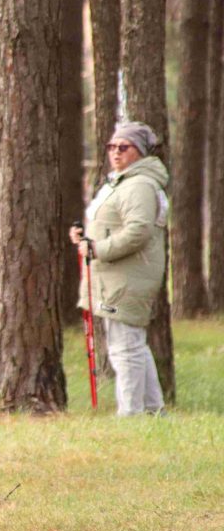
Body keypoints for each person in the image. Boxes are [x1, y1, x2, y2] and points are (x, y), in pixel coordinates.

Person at [69, 121, 168, 416]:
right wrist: (86, 239)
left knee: (125, 348)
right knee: (132, 343)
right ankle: (153, 411)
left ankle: (131, 415)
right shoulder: (123, 181)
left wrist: (98, 249)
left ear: (138, 151)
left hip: (128, 278)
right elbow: (114, 225)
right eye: (112, 146)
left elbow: (138, 231)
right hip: (117, 277)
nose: (115, 152)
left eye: (123, 147)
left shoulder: (139, 185)